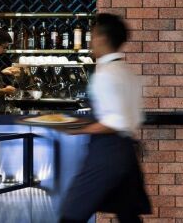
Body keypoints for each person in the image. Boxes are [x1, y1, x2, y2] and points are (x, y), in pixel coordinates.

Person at [59, 13, 150, 223]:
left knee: (72, 214)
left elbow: (115, 122)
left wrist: (76, 128)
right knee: (128, 217)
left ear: (101, 38)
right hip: (126, 152)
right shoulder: (127, 72)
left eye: (92, 36)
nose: (91, 42)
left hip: (107, 153)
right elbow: (131, 117)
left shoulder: (106, 74)